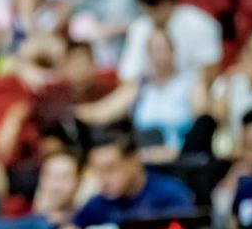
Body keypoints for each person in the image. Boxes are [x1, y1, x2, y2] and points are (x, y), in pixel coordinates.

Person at [78, 29, 201, 163]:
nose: (159, 55)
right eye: (154, 50)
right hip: (145, 159)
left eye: (163, 49)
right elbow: (102, 112)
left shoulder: (191, 83)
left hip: (182, 158)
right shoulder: (140, 85)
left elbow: (202, 119)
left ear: (173, 51)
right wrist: (71, 112)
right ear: (148, 54)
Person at [57, 130, 194, 229]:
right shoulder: (97, 204)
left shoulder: (170, 195)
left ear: (134, 161)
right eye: (97, 171)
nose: (103, 179)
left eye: (110, 169)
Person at [0, 41, 115, 165]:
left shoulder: (108, 93)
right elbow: (29, 113)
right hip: (61, 158)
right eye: (75, 64)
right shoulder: (52, 96)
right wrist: (13, 120)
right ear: (65, 67)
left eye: (85, 63)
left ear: (94, 65)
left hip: (99, 154)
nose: (81, 69)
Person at [119, 0, 222, 86]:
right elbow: (128, 74)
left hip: (192, 88)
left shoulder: (199, 24)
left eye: (157, 9)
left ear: (172, 2)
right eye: (147, 11)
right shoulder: (139, 27)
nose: (153, 16)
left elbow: (210, 68)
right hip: (151, 89)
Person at [209, 29, 252, 150]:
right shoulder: (230, 81)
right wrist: (229, 81)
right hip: (231, 150)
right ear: (243, 54)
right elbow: (217, 117)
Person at [31, 149, 83, 229]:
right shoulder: (24, 222)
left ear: (78, 181)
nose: (57, 186)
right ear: (41, 179)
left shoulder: (89, 222)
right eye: (52, 177)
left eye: (65, 178)